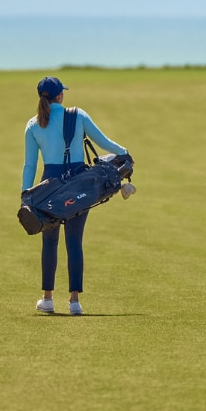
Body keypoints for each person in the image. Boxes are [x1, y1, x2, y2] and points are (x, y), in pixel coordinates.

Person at [22, 76, 130, 316]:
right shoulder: (78, 115)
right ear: (60, 95)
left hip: (48, 188)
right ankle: (74, 302)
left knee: (49, 242)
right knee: (74, 241)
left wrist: (25, 195)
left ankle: (47, 298)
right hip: (79, 184)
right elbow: (103, 142)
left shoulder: (32, 124)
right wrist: (125, 153)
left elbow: (29, 165)